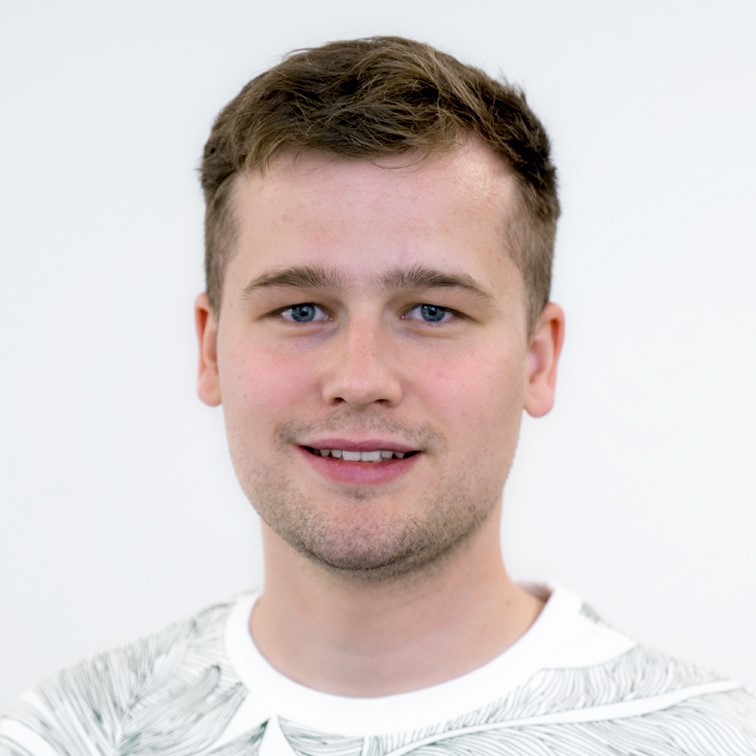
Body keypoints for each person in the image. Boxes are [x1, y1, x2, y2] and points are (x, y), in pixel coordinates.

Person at [1, 35, 755, 756]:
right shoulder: (63, 740)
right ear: (210, 349)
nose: (360, 380)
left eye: (432, 311)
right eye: (301, 310)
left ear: (538, 359)